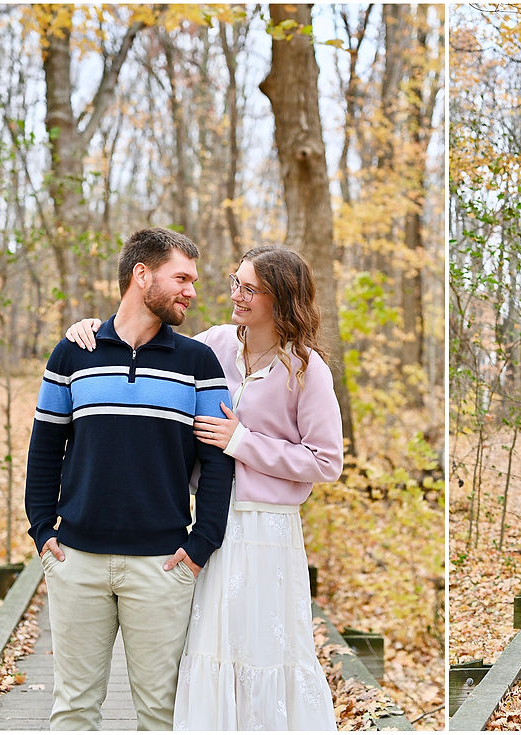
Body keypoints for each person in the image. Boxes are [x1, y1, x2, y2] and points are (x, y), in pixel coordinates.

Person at [66, 246, 343, 730]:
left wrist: (243, 442)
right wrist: (95, 329)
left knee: (263, 652)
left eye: (250, 289)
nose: (236, 295)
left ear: (281, 299)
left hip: (267, 531)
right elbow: (148, 346)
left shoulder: (306, 369)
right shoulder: (214, 344)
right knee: (208, 649)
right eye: (236, 282)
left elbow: (326, 461)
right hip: (211, 524)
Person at [24, 227, 236, 730]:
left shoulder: (198, 362)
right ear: (142, 275)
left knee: (161, 715)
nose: (191, 291)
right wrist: (42, 529)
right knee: (73, 710)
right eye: (181, 278)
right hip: (76, 561)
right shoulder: (73, 353)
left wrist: (202, 544)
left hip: (162, 566)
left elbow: (218, 461)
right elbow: (45, 447)